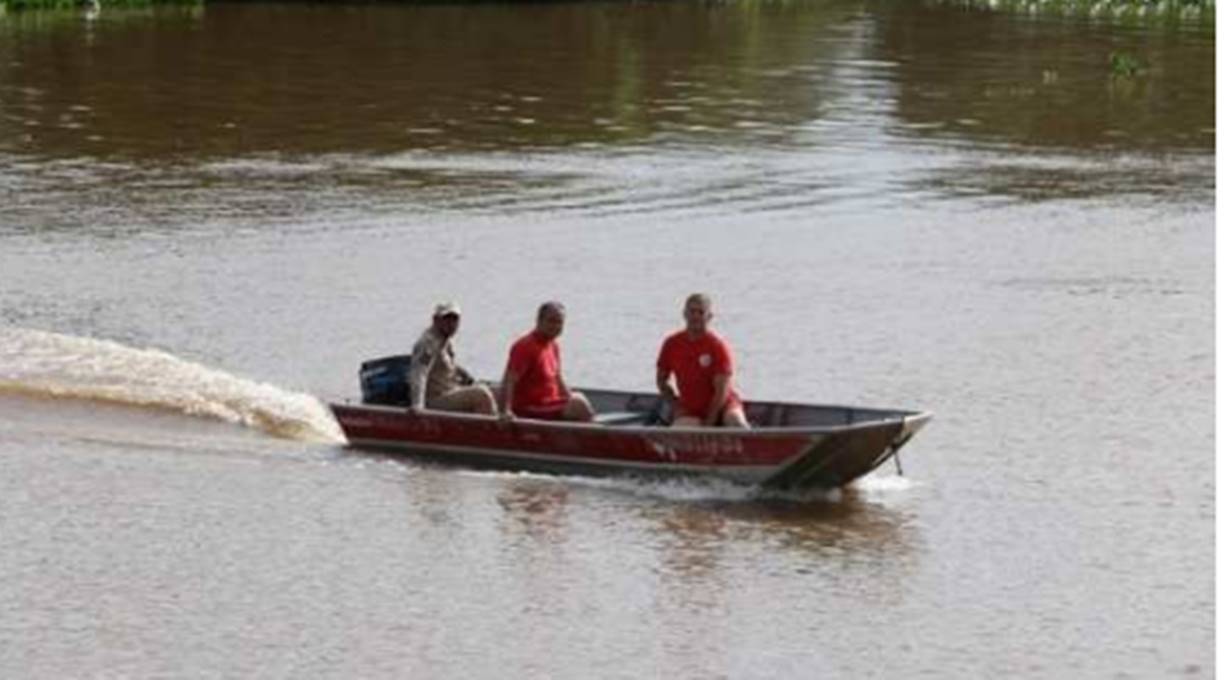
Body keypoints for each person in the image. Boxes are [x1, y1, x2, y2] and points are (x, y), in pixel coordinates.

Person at [656, 293, 750, 428]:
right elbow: (661, 380)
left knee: (737, 423)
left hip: (724, 405)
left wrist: (709, 424)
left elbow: (721, 392)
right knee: (678, 431)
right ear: (684, 314)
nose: (695, 316)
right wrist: (676, 406)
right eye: (692, 311)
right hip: (691, 410)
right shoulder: (671, 344)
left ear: (709, 316)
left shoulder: (717, 346)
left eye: (700, 312)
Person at [500, 301, 595, 422]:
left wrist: (570, 396)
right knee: (578, 405)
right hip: (530, 408)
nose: (555, 326)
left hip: (550, 405)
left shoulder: (553, 346)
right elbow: (509, 381)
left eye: (559, 322)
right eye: (551, 321)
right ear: (539, 321)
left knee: (578, 398)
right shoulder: (525, 346)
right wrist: (505, 411)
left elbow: (557, 379)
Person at [407, 302, 497, 416]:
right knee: (481, 394)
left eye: (454, 319)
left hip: (450, 390)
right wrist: (418, 405)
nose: (451, 324)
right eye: (446, 319)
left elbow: (449, 366)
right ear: (435, 320)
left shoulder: (444, 341)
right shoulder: (428, 343)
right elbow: (419, 373)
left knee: (496, 390)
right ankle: (493, 430)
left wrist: (469, 378)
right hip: (436, 399)